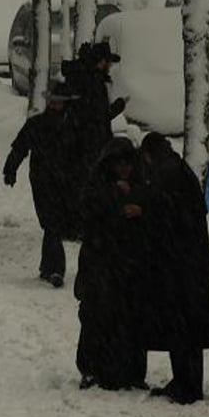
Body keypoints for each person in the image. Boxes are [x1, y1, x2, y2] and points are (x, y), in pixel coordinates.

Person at [139, 132, 209, 405]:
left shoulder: (166, 175)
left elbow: (163, 215)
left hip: (178, 265)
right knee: (189, 328)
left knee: (180, 326)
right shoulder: (178, 169)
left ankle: (186, 385)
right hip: (190, 263)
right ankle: (188, 382)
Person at [74, 137, 150, 389]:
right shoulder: (98, 185)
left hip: (127, 263)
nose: (124, 169)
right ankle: (92, 368)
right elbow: (88, 216)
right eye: (119, 164)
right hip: (101, 261)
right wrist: (116, 200)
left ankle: (127, 371)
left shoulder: (141, 183)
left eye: (127, 164)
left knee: (128, 316)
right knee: (96, 315)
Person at [3, 91, 87, 287]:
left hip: (67, 183)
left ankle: (51, 268)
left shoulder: (74, 125)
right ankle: (54, 268)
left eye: (60, 102)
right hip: (43, 181)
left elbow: (83, 153)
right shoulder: (37, 124)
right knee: (51, 222)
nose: (57, 105)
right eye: (54, 102)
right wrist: (10, 170)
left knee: (54, 223)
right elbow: (20, 147)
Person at [56, 42, 125, 166]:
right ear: (102, 61)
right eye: (108, 62)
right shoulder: (93, 82)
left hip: (79, 148)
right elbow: (99, 117)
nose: (109, 66)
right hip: (90, 150)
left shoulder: (80, 77)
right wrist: (119, 106)